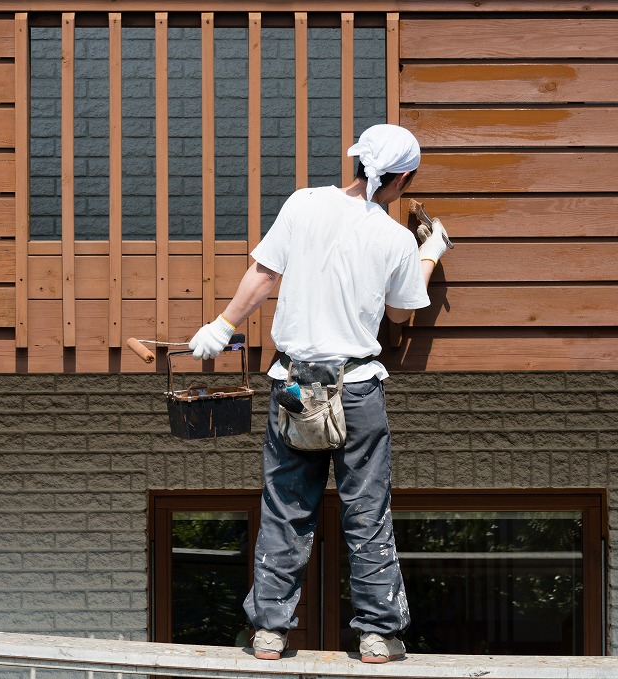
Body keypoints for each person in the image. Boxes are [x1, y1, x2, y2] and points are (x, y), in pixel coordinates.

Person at [187, 124, 451, 663]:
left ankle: (269, 632)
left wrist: (221, 325)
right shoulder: (396, 238)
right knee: (366, 511)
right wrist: (431, 249)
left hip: (294, 386)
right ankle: (377, 636)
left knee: (286, 509)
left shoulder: (303, 205)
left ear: (356, 162)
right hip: (355, 390)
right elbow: (410, 301)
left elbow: (263, 276)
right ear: (402, 177)